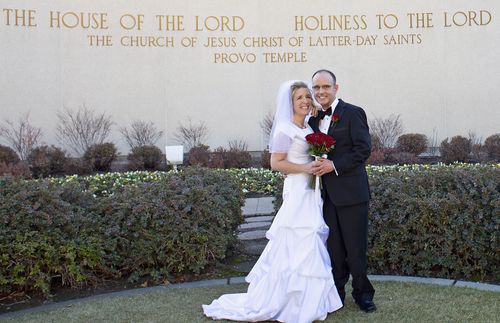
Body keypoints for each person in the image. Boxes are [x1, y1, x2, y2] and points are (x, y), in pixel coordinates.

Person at [202, 80, 343, 323]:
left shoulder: (309, 128)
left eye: (307, 97)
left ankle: (309, 297)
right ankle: (287, 299)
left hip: (312, 192)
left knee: (310, 239)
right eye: (299, 98)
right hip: (298, 190)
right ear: (290, 103)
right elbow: (276, 163)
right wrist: (304, 168)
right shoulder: (284, 130)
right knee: (295, 237)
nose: (305, 101)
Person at [308, 69, 376, 312]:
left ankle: (363, 294)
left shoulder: (353, 113)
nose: (320, 92)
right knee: (334, 249)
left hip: (352, 194)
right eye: (316, 88)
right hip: (325, 196)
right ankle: (336, 293)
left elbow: (362, 150)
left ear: (336, 88)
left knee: (355, 249)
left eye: (325, 87)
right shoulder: (314, 118)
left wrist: (334, 165)